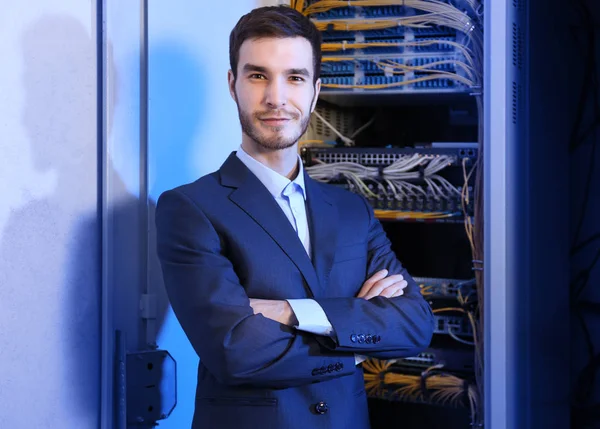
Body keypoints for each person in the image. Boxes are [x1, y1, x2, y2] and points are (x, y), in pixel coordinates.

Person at [155, 5, 434, 429]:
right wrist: (358, 342)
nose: (276, 97)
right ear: (233, 85)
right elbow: (236, 352)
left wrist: (291, 312)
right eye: (258, 75)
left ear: (316, 92)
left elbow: (415, 324)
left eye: (295, 78)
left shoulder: (351, 211)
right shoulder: (190, 208)